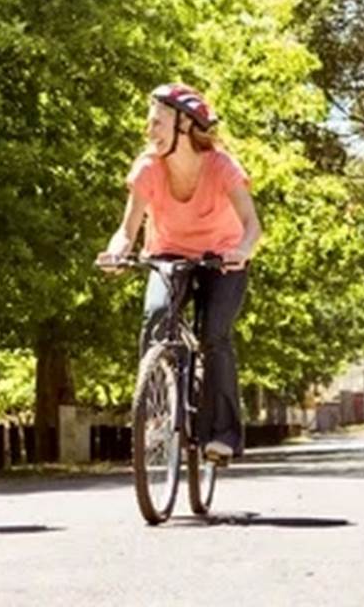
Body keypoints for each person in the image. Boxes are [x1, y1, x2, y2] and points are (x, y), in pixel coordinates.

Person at [97, 83, 261, 461]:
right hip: (168, 253)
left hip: (222, 257)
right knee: (156, 315)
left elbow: (252, 225)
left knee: (213, 335)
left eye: (157, 123)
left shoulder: (221, 167)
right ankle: (155, 409)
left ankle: (221, 435)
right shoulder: (147, 168)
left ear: (185, 125)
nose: (149, 131)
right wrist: (116, 251)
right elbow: (127, 229)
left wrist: (242, 251)